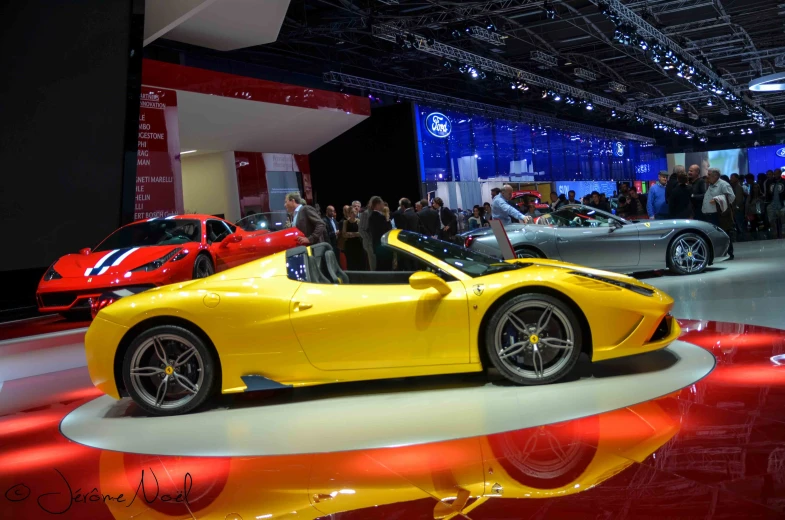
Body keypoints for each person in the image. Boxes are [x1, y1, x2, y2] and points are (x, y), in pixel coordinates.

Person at [702, 168, 735, 259]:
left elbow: (731, 197)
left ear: (715, 176)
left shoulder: (723, 184)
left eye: (709, 175)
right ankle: (718, 254)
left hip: (718, 215)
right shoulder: (711, 184)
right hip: (709, 213)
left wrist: (718, 199)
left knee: (723, 234)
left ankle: (729, 253)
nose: (707, 177)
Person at [368, 196, 393, 270]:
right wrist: (388, 220)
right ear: (378, 205)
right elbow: (387, 230)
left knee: (380, 265)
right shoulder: (380, 217)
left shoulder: (372, 216)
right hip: (383, 246)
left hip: (377, 245)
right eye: (382, 204)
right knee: (385, 267)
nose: (383, 206)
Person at [340, 205, 364, 270]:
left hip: (358, 244)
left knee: (358, 262)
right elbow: (344, 234)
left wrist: (351, 234)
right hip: (349, 245)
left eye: (354, 212)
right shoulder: (345, 222)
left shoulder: (359, 221)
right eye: (351, 212)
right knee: (350, 263)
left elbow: (361, 233)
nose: (353, 214)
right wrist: (355, 234)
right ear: (349, 213)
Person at [765, 169, 785, 239]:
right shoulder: (770, 182)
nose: (776, 175)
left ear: (780, 173)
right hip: (772, 203)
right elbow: (767, 193)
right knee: (772, 220)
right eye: (775, 173)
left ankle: (783, 233)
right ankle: (775, 234)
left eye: (777, 173)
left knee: (783, 220)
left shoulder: (784, 182)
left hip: (782, 203)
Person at [729, 174, 746, 239]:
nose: (731, 179)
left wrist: (735, 207)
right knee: (737, 224)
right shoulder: (733, 187)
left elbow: (739, 200)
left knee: (739, 224)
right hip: (735, 208)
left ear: (737, 179)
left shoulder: (738, 187)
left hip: (737, 209)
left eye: (732, 177)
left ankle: (742, 238)